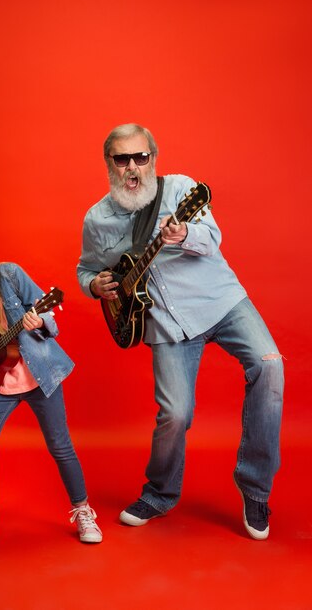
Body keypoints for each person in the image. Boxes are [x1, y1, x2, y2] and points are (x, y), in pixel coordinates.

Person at [77, 123, 284, 540]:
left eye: (141, 157)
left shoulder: (181, 191)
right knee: (175, 414)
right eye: (123, 159)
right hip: (166, 324)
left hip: (220, 301)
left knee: (271, 366)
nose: (133, 167)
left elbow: (212, 238)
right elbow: (86, 269)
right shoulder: (97, 219)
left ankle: (255, 488)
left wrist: (184, 232)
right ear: (109, 165)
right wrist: (95, 285)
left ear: (153, 158)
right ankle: (159, 493)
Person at [0, 207, 102, 545]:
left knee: (61, 446)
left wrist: (38, 321)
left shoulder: (9, 275)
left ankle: (83, 511)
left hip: (40, 375)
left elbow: (52, 315)